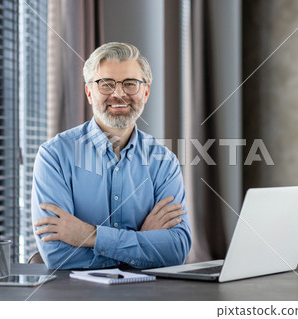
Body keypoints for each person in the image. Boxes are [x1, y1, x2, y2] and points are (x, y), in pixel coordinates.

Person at [31, 42, 191, 269]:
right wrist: (141, 243)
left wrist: (90, 236)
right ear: (89, 92)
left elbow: (177, 249)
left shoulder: (164, 162)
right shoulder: (54, 156)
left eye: (130, 84)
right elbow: (59, 256)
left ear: (145, 92)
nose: (118, 94)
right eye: (106, 84)